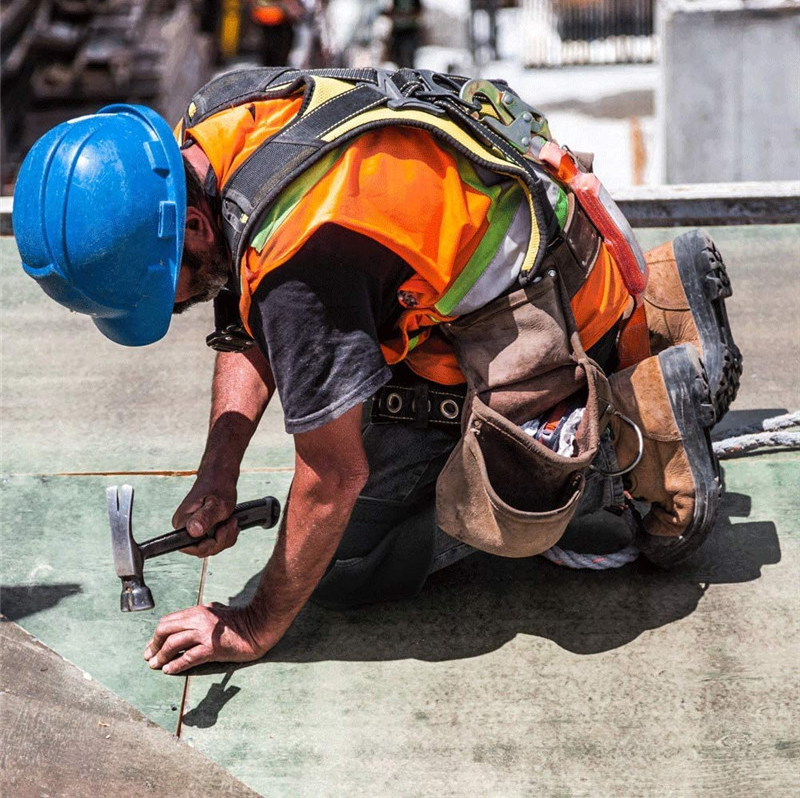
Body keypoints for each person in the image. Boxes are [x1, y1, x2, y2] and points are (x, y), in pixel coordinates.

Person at [13, 67, 740, 675]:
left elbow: (332, 477)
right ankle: (663, 305)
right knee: (347, 407)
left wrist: (255, 623)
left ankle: (633, 428)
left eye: (159, 292)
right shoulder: (220, 123)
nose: (169, 311)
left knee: (352, 563)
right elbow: (245, 311)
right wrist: (218, 472)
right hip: (559, 247)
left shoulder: (304, 260)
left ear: (194, 227)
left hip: (546, 323)